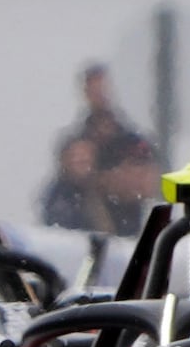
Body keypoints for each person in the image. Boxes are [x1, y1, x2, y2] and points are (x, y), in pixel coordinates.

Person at [45, 65, 155, 235]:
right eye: (93, 88)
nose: (99, 94)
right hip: (80, 234)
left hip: (125, 235)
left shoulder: (131, 143)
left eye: (102, 87)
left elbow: (144, 184)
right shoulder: (76, 141)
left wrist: (107, 181)